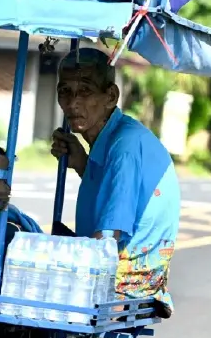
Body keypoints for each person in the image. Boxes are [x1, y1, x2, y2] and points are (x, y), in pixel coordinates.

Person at [49, 47, 179, 317]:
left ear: (110, 96)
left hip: (128, 282)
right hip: (123, 272)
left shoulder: (125, 146)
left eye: (85, 92)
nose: (73, 103)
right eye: (65, 92)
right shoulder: (112, 140)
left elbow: (109, 236)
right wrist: (82, 163)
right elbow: (114, 193)